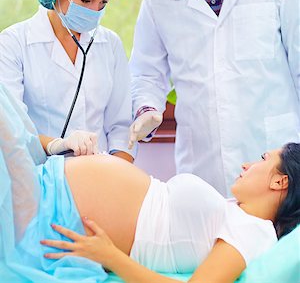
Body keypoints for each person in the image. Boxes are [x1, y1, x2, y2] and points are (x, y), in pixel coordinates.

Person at [0, 85, 299, 283]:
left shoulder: (255, 231)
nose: (248, 164)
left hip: (54, 215)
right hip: (51, 189)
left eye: (263, 158)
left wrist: (110, 257)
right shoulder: (235, 212)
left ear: (279, 180)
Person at [128, 0, 300, 195]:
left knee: (279, 238)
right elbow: (146, 73)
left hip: (274, 155)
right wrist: (146, 110)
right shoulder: (158, 2)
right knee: (212, 238)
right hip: (203, 165)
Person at [0, 0, 135, 161]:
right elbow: (11, 125)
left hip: (100, 176)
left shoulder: (109, 43)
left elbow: (120, 125)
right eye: (85, 1)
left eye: (103, 3)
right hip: (38, 175)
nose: (94, 11)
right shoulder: (14, 43)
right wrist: (58, 145)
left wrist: (118, 173)